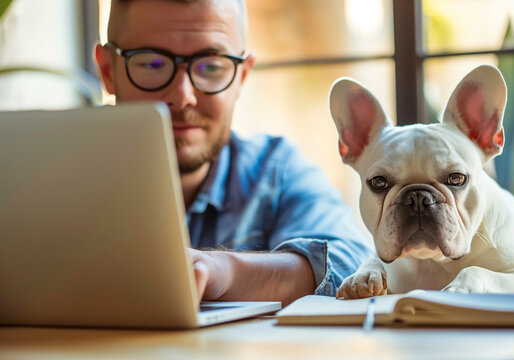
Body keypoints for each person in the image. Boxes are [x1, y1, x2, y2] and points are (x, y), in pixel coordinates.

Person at [95, 0, 373, 306]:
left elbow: (351, 261)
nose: (182, 96)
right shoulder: (50, 179)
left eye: (211, 66)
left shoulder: (275, 170)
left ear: (241, 77)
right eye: (152, 64)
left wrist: (222, 270)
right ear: (108, 71)